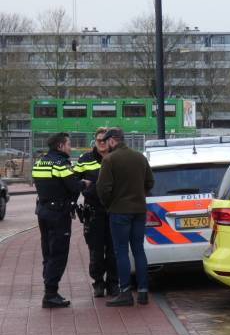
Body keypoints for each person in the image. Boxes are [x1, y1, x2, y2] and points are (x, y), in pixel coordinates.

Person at [97, 128, 154, 306]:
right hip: (139, 211)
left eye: (107, 142)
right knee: (138, 249)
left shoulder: (109, 160)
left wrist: (110, 205)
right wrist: (139, 196)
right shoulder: (140, 157)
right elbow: (150, 182)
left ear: (113, 140)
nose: (106, 145)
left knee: (121, 251)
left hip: (119, 212)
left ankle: (125, 293)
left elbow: (103, 189)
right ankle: (143, 292)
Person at [32, 132, 89, 308]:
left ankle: (49, 289)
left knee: (47, 252)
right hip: (58, 214)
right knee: (58, 253)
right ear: (60, 146)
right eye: (68, 144)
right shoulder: (60, 164)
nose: (70, 147)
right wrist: (84, 184)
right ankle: (50, 294)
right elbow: (72, 185)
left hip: (43, 211)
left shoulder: (40, 162)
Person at [75, 128, 118, 298]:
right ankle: (98, 282)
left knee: (114, 251)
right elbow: (74, 180)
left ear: (110, 141)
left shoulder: (116, 157)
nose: (101, 142)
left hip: (114, 210)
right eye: (98, 139)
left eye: (104, 140)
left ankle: (113, 283)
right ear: (95, 140)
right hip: (94, 212)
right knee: (96, 251)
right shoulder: (85, 159)